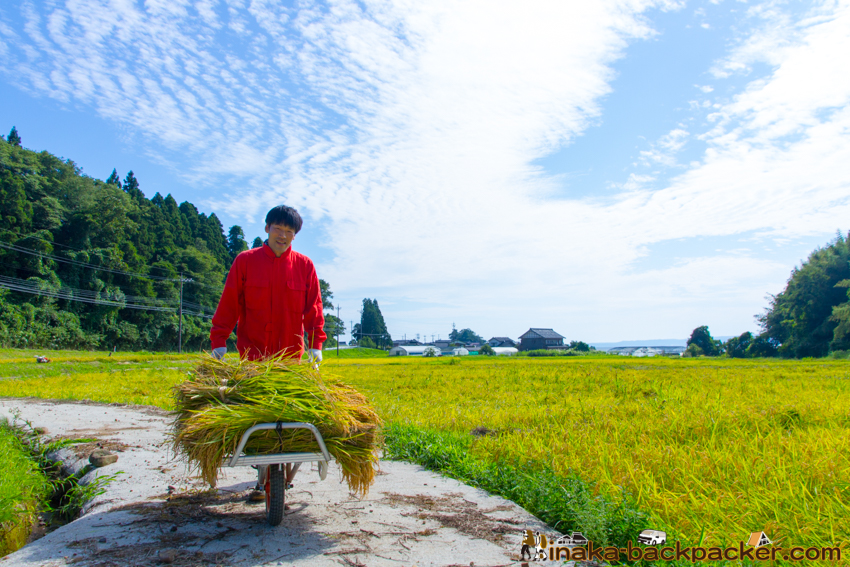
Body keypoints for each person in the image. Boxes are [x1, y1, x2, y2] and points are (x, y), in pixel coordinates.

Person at [209, 205, 327, 497]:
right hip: (253, 357)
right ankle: (262, 471)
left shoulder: (304, 266)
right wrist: (219, 340)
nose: (283, 236)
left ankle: (281, 472)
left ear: (295, 236)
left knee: (288, 418)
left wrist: (316, 345)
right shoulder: (245, 262)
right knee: (257, 418)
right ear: (266, 229)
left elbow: (314, 309)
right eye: (278, 229)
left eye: (289, 232)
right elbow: (229, 304)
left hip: (290, 359)